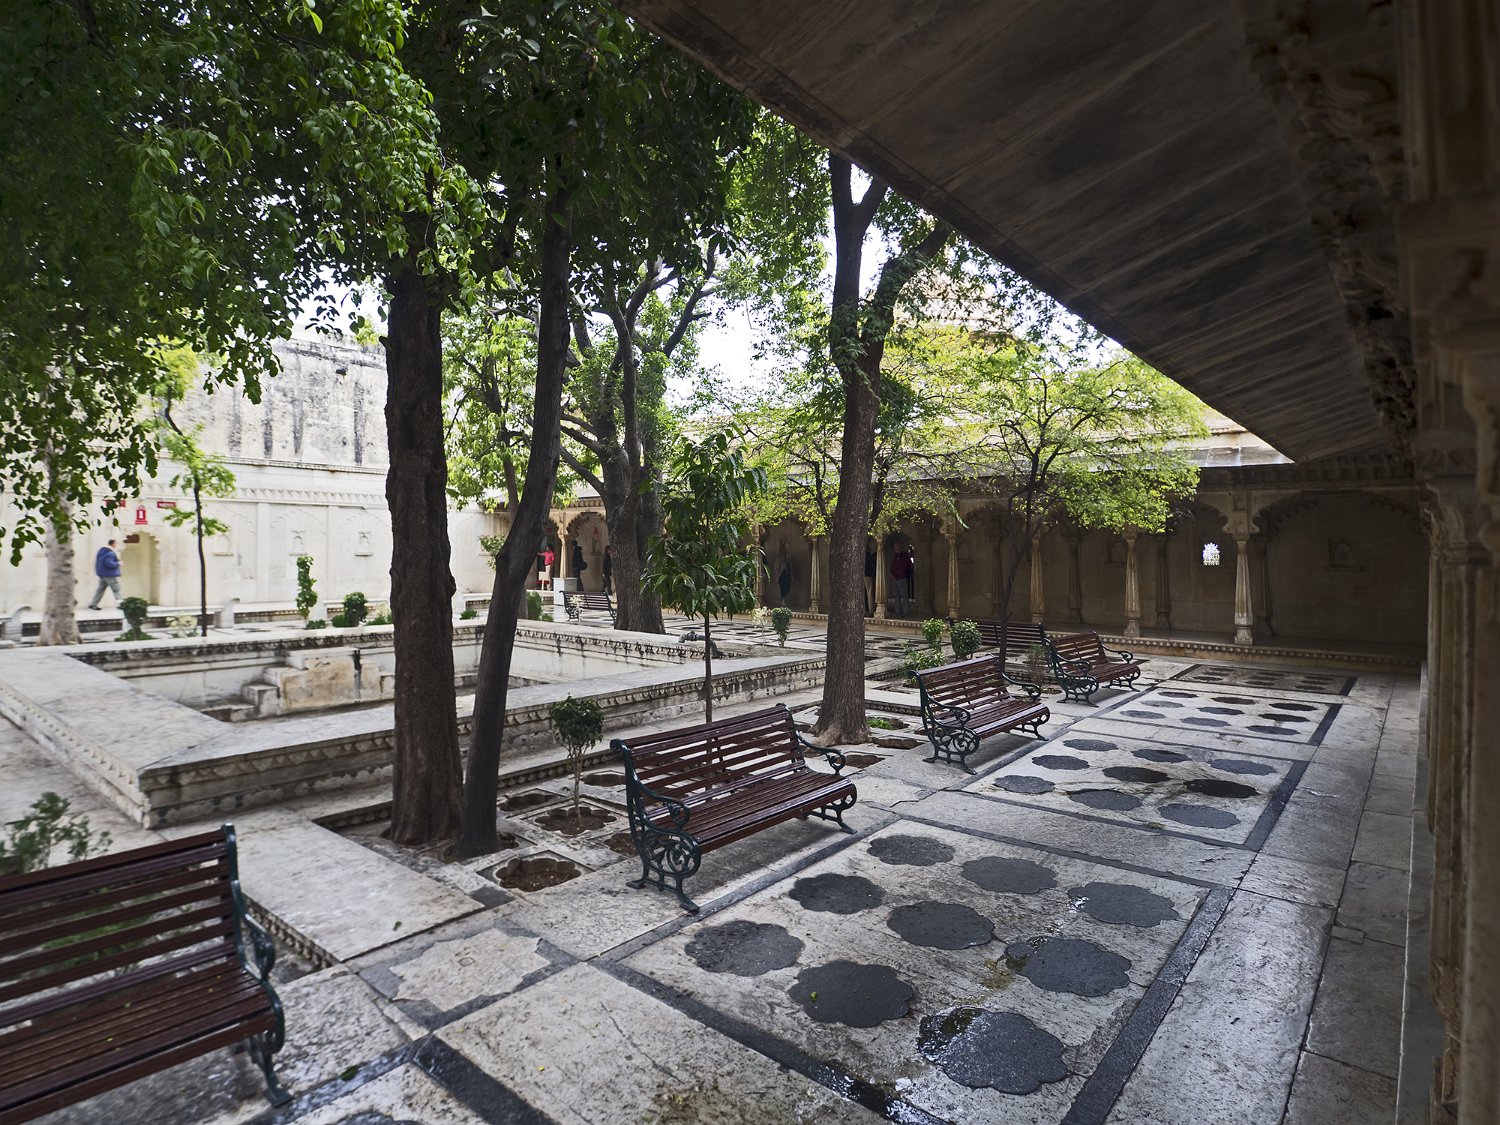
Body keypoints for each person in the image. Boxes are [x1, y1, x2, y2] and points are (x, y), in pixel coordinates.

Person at [88, 539, 123, 610]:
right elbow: (109, 564)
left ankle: (93, 604)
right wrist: (118, 563)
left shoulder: (102, 552)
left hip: (102, 575)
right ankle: (121, 604)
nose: (116, 545)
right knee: (116, 590)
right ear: (113, 544)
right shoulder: (110, 553)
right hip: (110, 575)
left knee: (100, 590)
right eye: (116, 544)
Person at [890, 545, 911, 616]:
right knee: (896, 596)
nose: (896, 548)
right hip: (894, 579)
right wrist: (892, 574)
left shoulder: (904, 556)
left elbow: (905, 567)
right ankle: (898, 611)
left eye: (897, 547)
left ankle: (906, 612)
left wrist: (897, 575)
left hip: (901, 578)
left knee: (904, 595)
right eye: (895, 547)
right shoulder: (895, 556)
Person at [864, 541, 877, 616]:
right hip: (868, 575)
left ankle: (866, 609)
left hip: (863, 575)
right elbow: (871, 565)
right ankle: (871, 610)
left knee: (866, 593)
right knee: (869, 592)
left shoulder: (862, 555)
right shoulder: (868, 555)